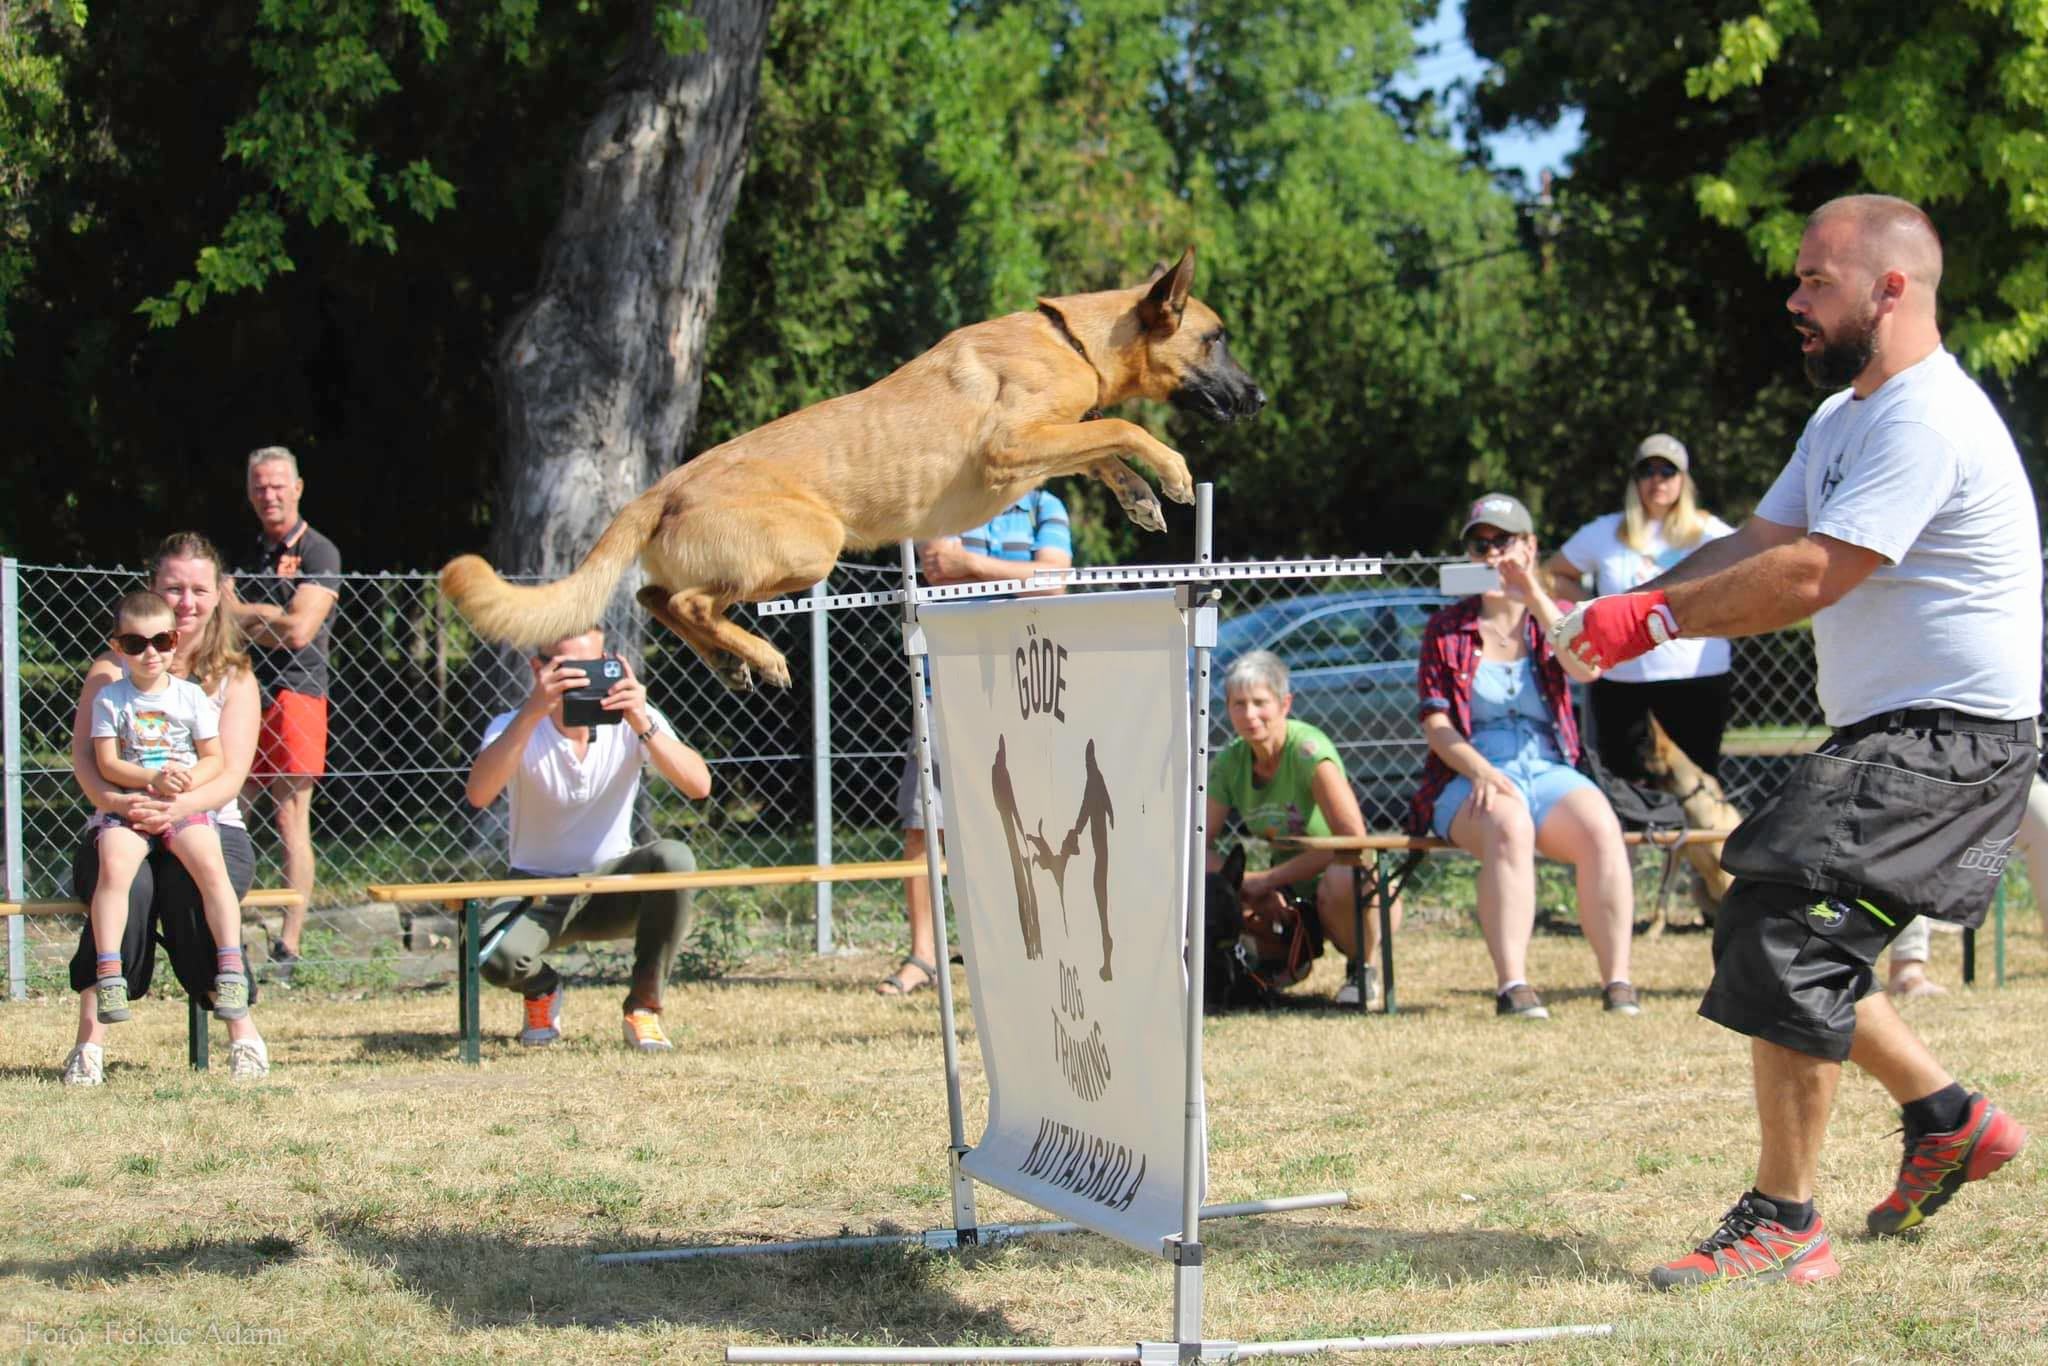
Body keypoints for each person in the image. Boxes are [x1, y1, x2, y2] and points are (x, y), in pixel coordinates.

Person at [1553, 195, 2038, 1287]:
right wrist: (1613, 613)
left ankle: (1785, 1222)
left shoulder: (1926, 418)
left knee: (1780, 929)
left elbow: (1815, 574)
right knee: (1780, 920)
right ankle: (1947, 1116)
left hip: (1951, 739)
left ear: (1890, 289)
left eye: (1816, 278)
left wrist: (1652, 619)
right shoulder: (1839, 422)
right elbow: (1755, 543)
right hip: (1894, 735)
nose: (1792, 297)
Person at [1410, 493, 1639, 1020]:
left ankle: (1618, 981)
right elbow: (1437, 724)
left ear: (1531, 546)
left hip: (1548, 768)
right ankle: (1513, 985)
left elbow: (1586, 669)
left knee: (1601, 825)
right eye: (1479, 544)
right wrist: (1482, 771)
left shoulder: (1552, 618)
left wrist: (1532, 592)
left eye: (1503, 542)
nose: (1491, 554)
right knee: (1508, 822)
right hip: (1470, 773)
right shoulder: (1446, 629)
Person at [63, 533, 271, 1084]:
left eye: (198, 589)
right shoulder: (111, 671)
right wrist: (117, 803)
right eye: (173, 587)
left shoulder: (235, 676)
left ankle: (241, 1030)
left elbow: (229, 773)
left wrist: (174, 810)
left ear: (219, 594)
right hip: (121, 815)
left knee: (189, 883)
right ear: (152, 589)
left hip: (207, 820)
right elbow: (87, 760)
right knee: (126, 882)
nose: (186, 599)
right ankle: (91, 1043)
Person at [464, 626, 713, 1051]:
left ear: (611, 666)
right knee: (491, 953)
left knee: (675, 857)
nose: (581, 679)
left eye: (593, 667)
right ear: (538, 669)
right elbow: (479, 793)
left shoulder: (632, 721)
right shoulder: (514, 726)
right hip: (537, 889)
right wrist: (532, 713)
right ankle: (541, 990)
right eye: (567, 669)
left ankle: (644, 1010)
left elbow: (698, 786)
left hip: (611, 886)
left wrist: (641, 720)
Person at [877, 490, 1072, 996]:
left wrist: (972, 563)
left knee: (1031, 823)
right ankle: (924, 955)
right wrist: (1012, 575)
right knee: (925, 823)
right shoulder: (945, 495)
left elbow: (1055, 586)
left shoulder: (1045, 507)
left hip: (1031, 688)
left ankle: (1025, 949)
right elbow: (939, 569)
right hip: (947, 681)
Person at [84, 591, 248, 1025]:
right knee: (115, 868)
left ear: (175, 640)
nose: (151, 653)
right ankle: (110, 971)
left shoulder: (190, 696)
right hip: (133, 805)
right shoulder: (111, 698)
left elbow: (215, 759)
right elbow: (107, 762)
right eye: (136, 644)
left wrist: (184, 782)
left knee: (211, 867)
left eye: (162, 640)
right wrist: (149, 780)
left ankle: (230, 967)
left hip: (180, 803)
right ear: (118, 648)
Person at [1206, 650, 1400, 1006]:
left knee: (1343, 875)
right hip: (1288, 888)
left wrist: (1268, 880)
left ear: (1285, 704)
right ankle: (1259, 967)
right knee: (1209, 878)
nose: (1249, 715)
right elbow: (1196, 844)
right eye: (1238, 704)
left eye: (1259, 702)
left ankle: (1364, 968)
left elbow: (1353, 840)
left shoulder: (1309, 751)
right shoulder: (1231, 761)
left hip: (1349, 886)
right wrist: (1244, 885)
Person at [1544, 434, 1738, 781]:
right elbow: (1554, 574)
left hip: (1696, 679)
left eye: (1668, 471)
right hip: (1622, 681)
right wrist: (1596, 608)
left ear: (1683, 480)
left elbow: (1750, 573)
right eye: (1648, 471)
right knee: (1626, 785)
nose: (1658, 480)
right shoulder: (1604, 532)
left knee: (1696, 787)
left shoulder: (1710, 532)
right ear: (1635, 480)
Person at [227, 445, 342, 978]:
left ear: (298, 487)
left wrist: (244, 615)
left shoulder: (320, 551)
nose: (268, 495)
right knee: (230, 808)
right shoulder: (242, 550)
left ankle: (289, 945)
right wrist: (270, 614)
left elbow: (300, 631)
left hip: (299, 691)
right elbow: (215, 621)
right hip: (241, 688)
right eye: (259, 487)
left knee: (290, 816)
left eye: (277, 485)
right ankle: (224, 926)